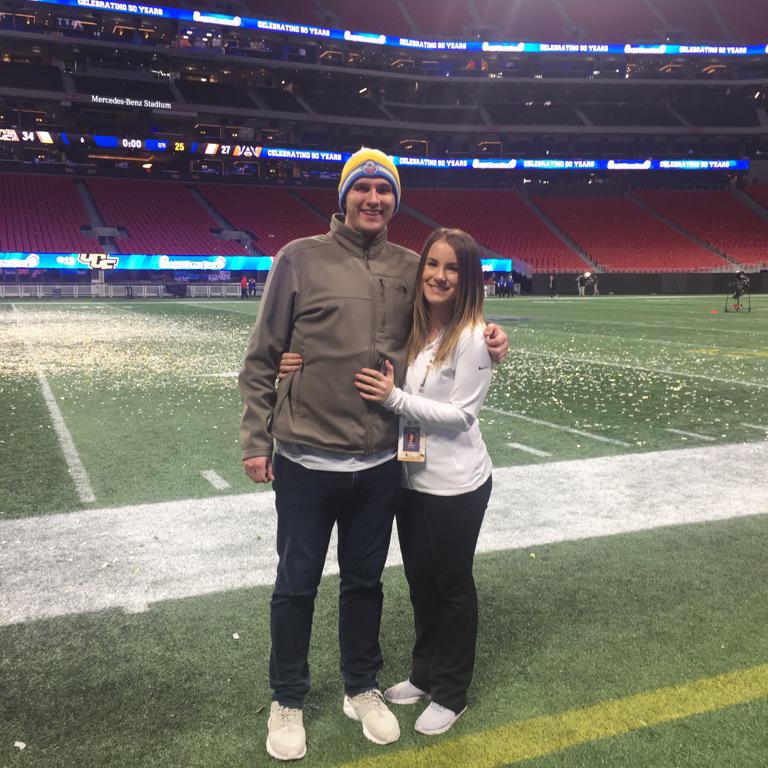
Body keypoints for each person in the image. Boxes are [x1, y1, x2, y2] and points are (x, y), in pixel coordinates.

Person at [238, 147, 508, 762]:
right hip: (307, 460)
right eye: (362, 188)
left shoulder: (410, 266)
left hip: (382, 464)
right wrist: (258, 438)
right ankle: (289, 697)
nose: (373, 199)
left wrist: (494, 337)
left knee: (365, 584)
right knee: (295, 585)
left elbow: (450, 310)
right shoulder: (298, 259)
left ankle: (360, 687)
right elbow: (261, 357)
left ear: (395, 200)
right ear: (343, 195)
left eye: (384, 191)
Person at [352, 228, 494, 736]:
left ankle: (452, 692)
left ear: (468, 277)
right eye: (432, 264)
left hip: (456, 485)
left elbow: (460, 416)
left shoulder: (475, 336)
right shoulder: (417, 327)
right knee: (419, 584)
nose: (438, 275)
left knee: (452, 587)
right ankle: (424, 672)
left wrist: (392, 399)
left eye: (452, 268)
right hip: (411, 481)